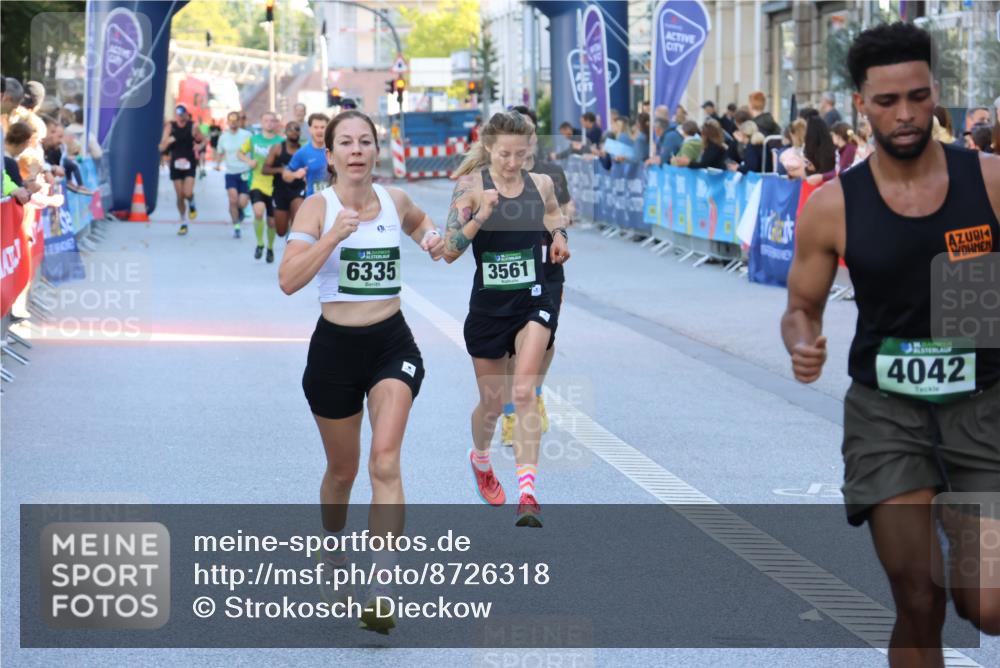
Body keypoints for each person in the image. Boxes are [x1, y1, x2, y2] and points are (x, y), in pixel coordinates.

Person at [782, 22, 1000, 667]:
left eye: (917, 97)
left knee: (987, 603)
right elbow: (800, 307)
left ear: (936, 93)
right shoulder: (833, 206)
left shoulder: (988, 182)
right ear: (861, 105)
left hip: (983, 404)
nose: (905, 115)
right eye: (886, 102)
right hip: (887, 414)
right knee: (918, 596)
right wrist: (803, 343)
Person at [278, 109, 445, 635]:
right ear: (329, 156)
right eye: (344, 142)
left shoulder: (394, 201)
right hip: (334, 351)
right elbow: (287, 281)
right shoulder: (316, 208)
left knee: (385, 461)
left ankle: (381, 587)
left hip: (391, 343)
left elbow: (426, 231)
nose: (355, 150)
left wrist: (438, 239)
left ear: (376, 151)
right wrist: (332, 238)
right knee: (343, 472)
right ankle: (333, 554)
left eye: (364, 142)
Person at [444, 111, 570, 528]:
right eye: (504, 155)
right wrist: (480, 216)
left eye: (521, 154)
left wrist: (558, 237)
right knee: (492, 403)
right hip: (488, 308)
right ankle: (480, 458)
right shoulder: (470, 187)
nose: (513, 163)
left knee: (524, 390)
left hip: (533, 298)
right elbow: (449, 249)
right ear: (488, 148)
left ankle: (528, 494)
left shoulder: (541, 183)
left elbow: (553, 212)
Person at [498, 107, 573, 446]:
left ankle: (536, 393)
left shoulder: (550, 173)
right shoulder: (495, 172)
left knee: (546, 339)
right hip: (510, 267)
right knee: (514, 344)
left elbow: (565, 210)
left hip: (548, 266)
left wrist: (558, 233)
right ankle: (513, 412)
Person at [239, 111, 284, 262]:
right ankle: (259, 244)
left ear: (276, 123)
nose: (269, 123)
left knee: (272, 222)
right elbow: (240, 153)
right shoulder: (253, 140)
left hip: (275, 186)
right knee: (258, 212)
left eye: (272, 121)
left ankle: (270, 248)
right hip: (256, 183)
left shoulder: (281, 141)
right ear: (262, 122)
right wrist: (248, 161)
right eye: (266, 120)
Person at [158, 104, 204, 235]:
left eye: (182, 113)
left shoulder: (193, 126)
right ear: (175, 114)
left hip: (189, 162)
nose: (180, 116)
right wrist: (168, 142)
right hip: (175, 164)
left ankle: (192, 202)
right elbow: (161, 147)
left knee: (188, 193)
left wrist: (199, 146)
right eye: (177, 113)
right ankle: (183, 222)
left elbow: (203, 140)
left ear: (186, 114)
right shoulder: (169, 126)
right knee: (180, 196)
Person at [264, 120, 306, 237]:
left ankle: (293, 242)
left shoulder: (303, 151)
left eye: (296, 129)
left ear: (300, 133)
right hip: (280, 190)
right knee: (281, 231)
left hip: (297, 190)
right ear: (285, 132)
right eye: (290, 129)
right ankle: (288, 232)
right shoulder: (277, 148)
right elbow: (265, 169)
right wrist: (280, 170)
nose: (293, 132)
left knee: (297, 223)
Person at [215, 110, 252, 238]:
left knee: (242, 202)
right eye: (230, 121)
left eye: (235, 120)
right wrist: (218, 164)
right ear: (228, 122)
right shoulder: (223, 137)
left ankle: (240, 211)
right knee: (233, 199)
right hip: (231, 173)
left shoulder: (247, 135)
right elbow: (220, 152)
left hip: (245, 172)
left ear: (239, 121)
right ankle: (236, 226)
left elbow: (254, 150)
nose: (233, 123)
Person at [285, 113, 331, 199]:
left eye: (322, 127)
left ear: (328, 129)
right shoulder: (303, 152)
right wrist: (295, 175)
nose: (319, 131)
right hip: (313, 200)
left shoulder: (336, 150)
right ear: (310, 129)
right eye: (316, 127)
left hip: (335, 200)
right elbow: (286, 175)